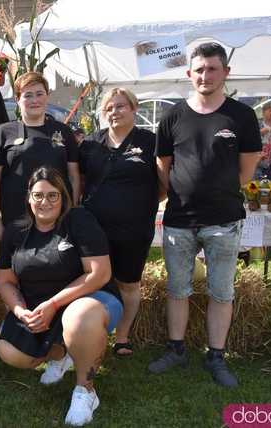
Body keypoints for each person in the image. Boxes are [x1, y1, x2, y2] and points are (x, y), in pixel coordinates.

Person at [151, 42, 261, 388]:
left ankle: (216, 355)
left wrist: (220, 191)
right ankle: (176, 348)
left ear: (225, 73)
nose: (205, 75)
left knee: (221, 291)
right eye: (199, 69)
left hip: (224, 220)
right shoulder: (172, 116)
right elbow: (162, 166)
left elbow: (247, 168)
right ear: (188, 74)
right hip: (179, 220)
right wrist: (184, 193)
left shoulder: (241, 116)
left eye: (212, 69)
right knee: (177, 288)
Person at [0, 166, 122, 427]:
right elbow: (5, 281)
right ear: (29, 198)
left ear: (63, 197)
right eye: (38, 195)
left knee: (78, 318)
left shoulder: (79, 220)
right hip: (41, 306)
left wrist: (54, 304)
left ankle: (85, 390)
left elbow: (99, 273)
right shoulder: (15, 231)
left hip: (92, 299)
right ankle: (59, 355)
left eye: (53, 195)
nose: (45, 202)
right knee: (9, 351)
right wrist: (20, 311)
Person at [79, 87, 159, 357]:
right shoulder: (90, 143)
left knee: (128, 283)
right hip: (94, 228)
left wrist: (141, 206)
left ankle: (122, 336)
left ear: (134, 109)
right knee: (94, 281)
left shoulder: (149, 141)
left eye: (121, 106)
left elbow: (163, 183)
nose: (115, 112)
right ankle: (94, 333)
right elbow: (80, 182)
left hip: (133, 229)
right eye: (110, 107)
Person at [0, 72, 80, 242]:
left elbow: (74, 175)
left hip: (58, 216)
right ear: (18, 99)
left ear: (47, 96)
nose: (34, 100)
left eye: (39, 94)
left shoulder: (64, 131)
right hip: (15, 218)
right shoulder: (3, 132)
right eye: (28, 95)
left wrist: (72, 211)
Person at [255, 103, 271, 180]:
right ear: (263, 112)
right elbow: (252, 136)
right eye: (270, 111)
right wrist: (265, 130)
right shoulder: (257, 123)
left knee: (270, 182)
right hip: (259, 158)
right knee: (257, 182)